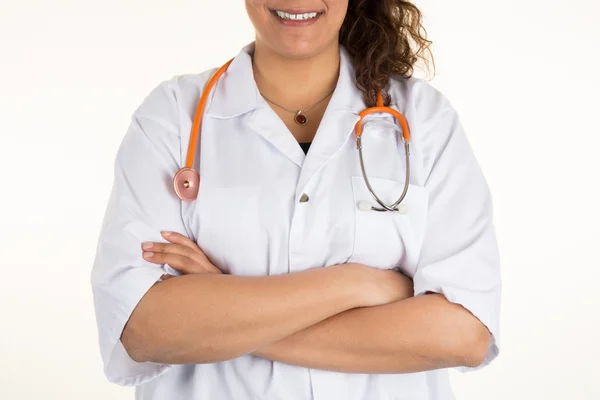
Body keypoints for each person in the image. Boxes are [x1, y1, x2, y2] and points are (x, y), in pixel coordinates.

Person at [90, 1, 502, 399]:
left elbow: (464, 334)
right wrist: (357, 283)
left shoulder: (425, 118)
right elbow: (143, 328)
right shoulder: (172, 116)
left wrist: (221, 311)